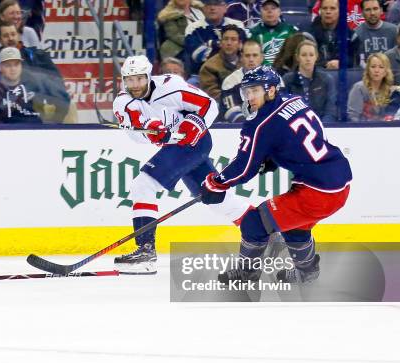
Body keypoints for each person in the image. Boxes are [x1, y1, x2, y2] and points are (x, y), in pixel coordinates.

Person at [200, 65, 352, 284]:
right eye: (246, 91)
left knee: (254, 223)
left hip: (318, 192)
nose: (249, 96)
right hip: (338, 180)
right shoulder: (294, 100)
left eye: (255, 90)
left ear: (271, 90)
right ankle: (307, 273)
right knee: (294, 226)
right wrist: (273, 156)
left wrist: (216, 183)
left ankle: (246, 274)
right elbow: (310, 133)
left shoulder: (260, 124)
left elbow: (244, 169)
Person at [111, 55, 249, 274]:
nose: (135, 85)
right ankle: (265, 232)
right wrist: (153, 131)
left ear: (147, 76)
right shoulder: (122, 102)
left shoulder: (171, 86)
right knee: (214, 198)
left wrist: (195, 123)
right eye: (130, 80)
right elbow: (136, 132)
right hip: (176, 147)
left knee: (143, 185)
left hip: (197, 141)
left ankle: (145, 252)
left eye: (139, 79)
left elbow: (208, 105)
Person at [184, 0, 246, 76]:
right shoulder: (193, 28)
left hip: (235, 72)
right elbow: (197, 55)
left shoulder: (237, 25)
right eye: (208, 4)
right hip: (201, 74)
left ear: (225, 8)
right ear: (203, 8)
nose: (212, 8)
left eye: (217, 4)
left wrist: (210, 44)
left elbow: (241, 50)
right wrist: (224, 47)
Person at [283, 40, 338, 121]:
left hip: (322, 126)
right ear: (297, 57)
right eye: (304, 55)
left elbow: (331, 110)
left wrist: (322, 127)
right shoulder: (287, 80)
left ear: (316, 57)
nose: (308, 59)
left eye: (311, 55)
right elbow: (283, 110)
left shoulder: (326, 79)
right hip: (294, 127)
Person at [219, 39, 266, 122]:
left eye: (255, 55)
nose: (251, 59)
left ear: (262, 58)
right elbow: (232, 114)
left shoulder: (275, 79)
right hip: (239, 128)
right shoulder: (231, 81)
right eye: (247, 56)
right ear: (241, 57)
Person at [348, 52, 400, 120]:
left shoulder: (391, 91)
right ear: (368, 70)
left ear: (386, 71)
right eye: (373, 67)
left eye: (381, 67)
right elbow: (353, 117)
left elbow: (394, 116)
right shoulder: (359, 88)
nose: (376, 70)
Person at [199, 24, 244, 101]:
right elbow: (211, 94)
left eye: (233, 39)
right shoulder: (209, 67)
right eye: (226, 39)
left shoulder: (247, 62)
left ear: (240, 44)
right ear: (220, 43)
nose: (229, 43)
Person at [308, 0, 355, 70]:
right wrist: (326, 64)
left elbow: (355, 60)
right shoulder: (309, 35)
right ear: (320, 11)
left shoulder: (351, 35)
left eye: (332, 8)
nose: (328, 12)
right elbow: (306, 59)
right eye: (324, 8)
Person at [250, 0, 298, 66]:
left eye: (273, 8)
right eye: (266, 9)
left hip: (285, 71)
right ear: (261, 12)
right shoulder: (253, 32)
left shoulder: (291, 30)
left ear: (279, 12)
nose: (269, 11)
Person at [351, 0, 397, 67]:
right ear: (362, 13)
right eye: (368, 10)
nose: (372, 13)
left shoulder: (394, 30)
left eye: (375, 9)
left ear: (381, 11)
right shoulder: (356, 34)